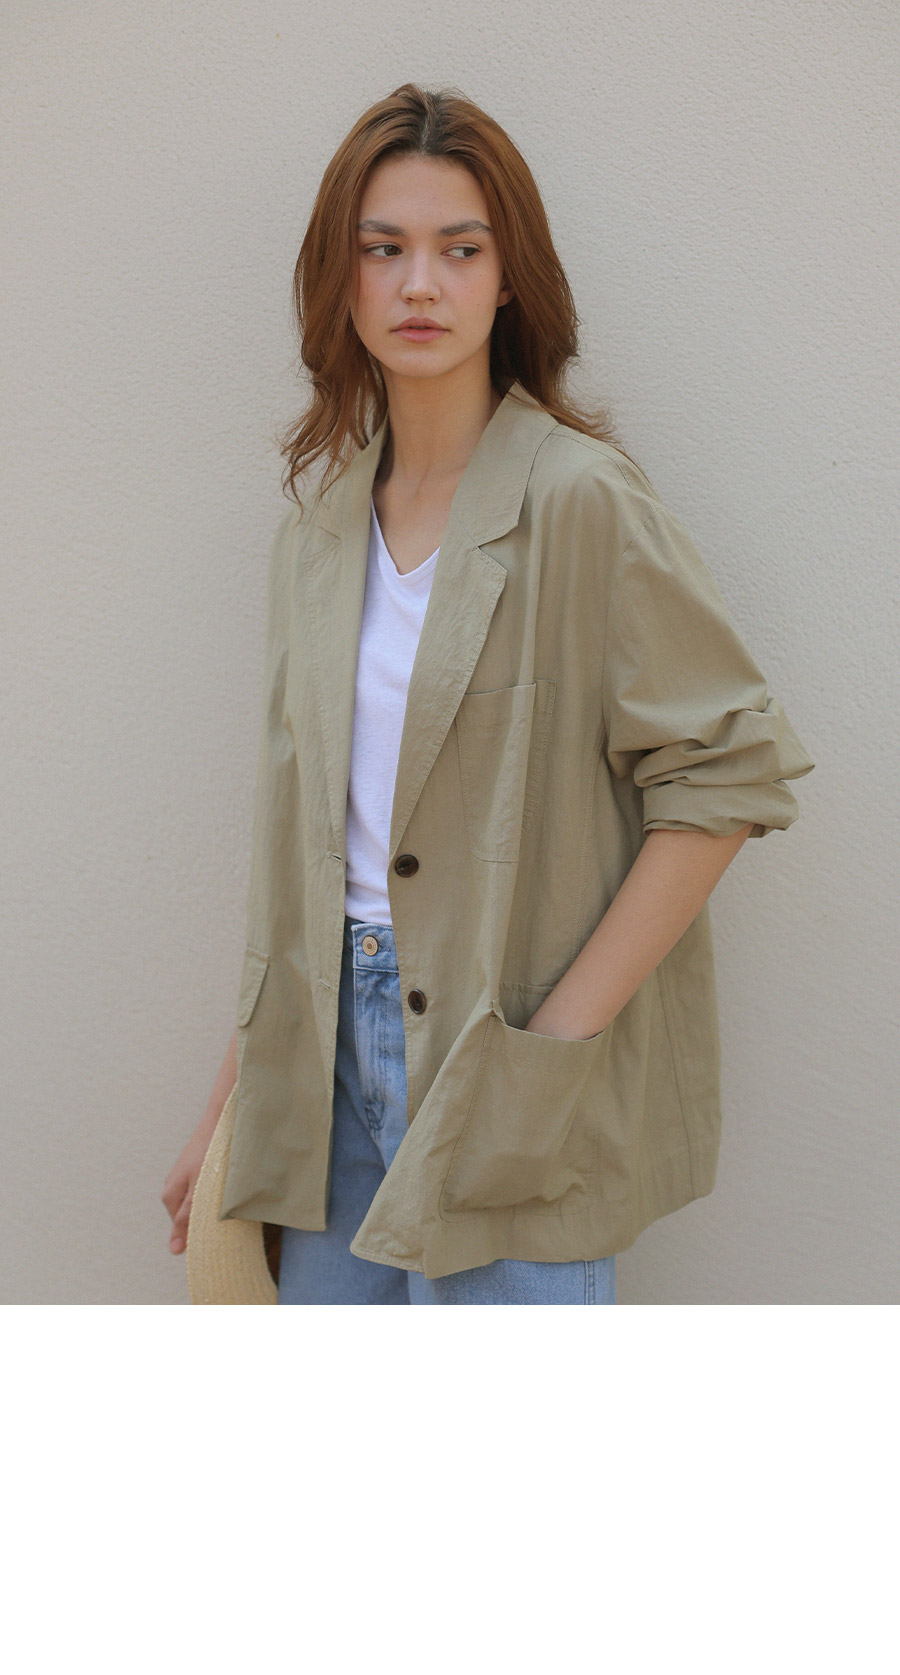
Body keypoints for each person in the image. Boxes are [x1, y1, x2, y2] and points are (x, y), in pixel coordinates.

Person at [162, 82, 815, 1304]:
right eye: (384, 249)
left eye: (460, 250)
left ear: (509, 280)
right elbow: (303, 858)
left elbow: (725, 778)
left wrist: (549, 1048)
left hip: (497, 1058)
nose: (420, 285)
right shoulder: (316, 534)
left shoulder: (581, 501)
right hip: (320, 1076)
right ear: (340, 277)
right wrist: (230, 1110)